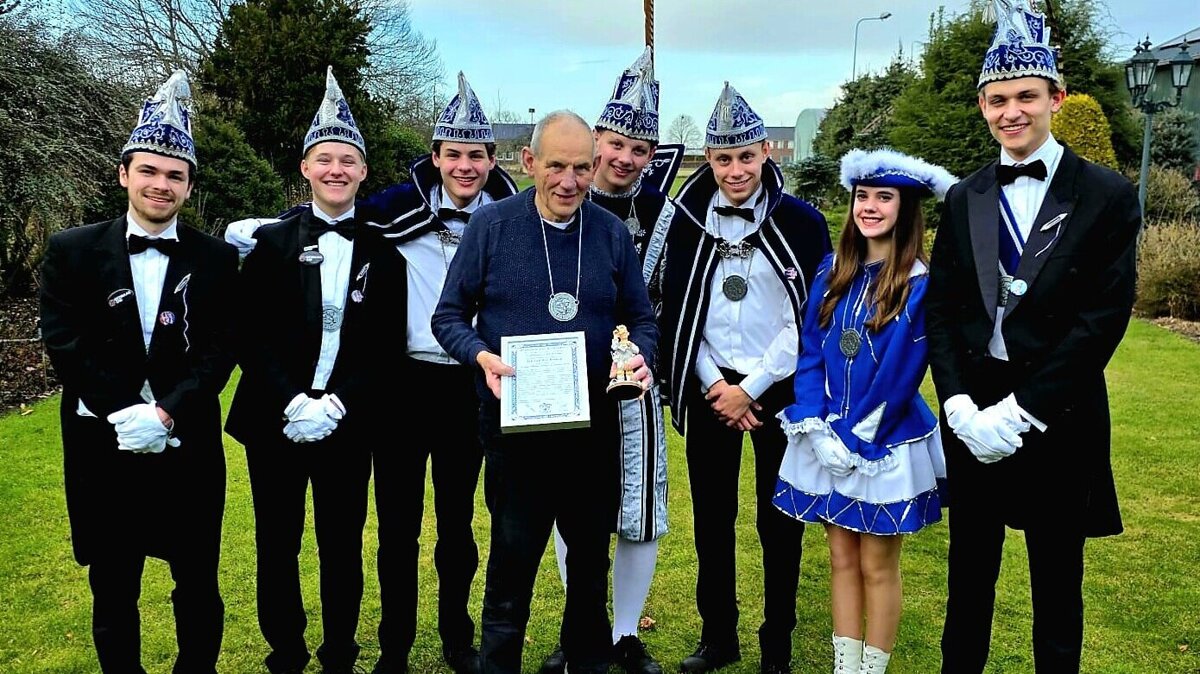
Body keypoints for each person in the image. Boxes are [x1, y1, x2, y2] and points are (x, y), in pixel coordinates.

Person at [926, 3, 1142, 672]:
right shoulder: (965, 196)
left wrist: (1022, 413)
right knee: (968, 585)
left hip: (1058, 417)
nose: (1011, 111)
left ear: (1057, 98)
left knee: (1056, 589)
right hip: (972, 419)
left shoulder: (1107, 194)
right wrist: (958, 404)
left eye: (1026, 96)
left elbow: (1102, 319)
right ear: (983, 106)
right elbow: (945, 310)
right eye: (997, 99)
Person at [431, 110, 658, 674]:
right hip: (515, 433)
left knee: (587, 570)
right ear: (529, 162)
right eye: (556, 166)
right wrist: (480, 354)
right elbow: (448, 316)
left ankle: (588, 663)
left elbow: (643, 318)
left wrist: (639, 360)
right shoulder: (492, 227)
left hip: (593, 432)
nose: (569, 181)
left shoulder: (609, 232)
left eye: (583, 168)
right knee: (511, 568)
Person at [39, 70, 238, 673]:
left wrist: (167, 408)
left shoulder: (217, 259)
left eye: (174, 175)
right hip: (104, 443)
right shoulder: (72, 250)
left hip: (188, 447)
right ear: (124, 173)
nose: (161, 184)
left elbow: (219, 350)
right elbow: (64, 342)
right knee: (113, 585)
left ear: (188, 185)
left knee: (199, 584)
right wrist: (123, 410)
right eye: (148, 170)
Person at [224, 67, 403, 674]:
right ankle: (287, 650)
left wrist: (337, 403)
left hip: (348, 424)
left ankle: (339, 654)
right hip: (275, 420)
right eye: (324, 159)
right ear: (305, 168)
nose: (336, 170)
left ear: (363, 173)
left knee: (341, 546)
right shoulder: (268, 244)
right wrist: (291, 400)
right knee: (276, 543)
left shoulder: (385, 253)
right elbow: (249, 334)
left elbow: (384, 348)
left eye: (348, 161)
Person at [658, 82, 831, 674]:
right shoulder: (683, 221)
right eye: (723, 159)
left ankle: (776, 641)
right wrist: (715, 385)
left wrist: (749, 389)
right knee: (712, 517)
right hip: (709, 385)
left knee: (778, 520)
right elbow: (679, 309)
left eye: (746, 156)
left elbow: (806, 319)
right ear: (709, 159)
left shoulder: (802, 224)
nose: (735, 170)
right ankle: (718, 636)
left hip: (775, 389)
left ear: (765, 152)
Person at [773, 149, 955, 673]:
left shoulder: (918, 282)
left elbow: (901, 373)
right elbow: (810, 351)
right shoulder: (832, 269)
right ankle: (844, 667)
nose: (869, 207)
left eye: (884, 198)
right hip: (826, 432)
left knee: (877, 564)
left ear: (906, 207)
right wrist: (812, 419)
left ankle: (871, 670)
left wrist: (856, 439)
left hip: (884, 443)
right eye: (862, 197)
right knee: (840, 558)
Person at [540, 48, 674, 674]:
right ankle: (580, 627)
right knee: (576, 513)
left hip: (638, 385)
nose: (624, 158)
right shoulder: (557, 200)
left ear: (653, 156)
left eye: (640, 149)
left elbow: (674, 303)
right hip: (567, 384)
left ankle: (623, 635)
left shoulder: (671, 218)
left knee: (640, 514)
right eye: (616, 142)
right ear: (597, 139)